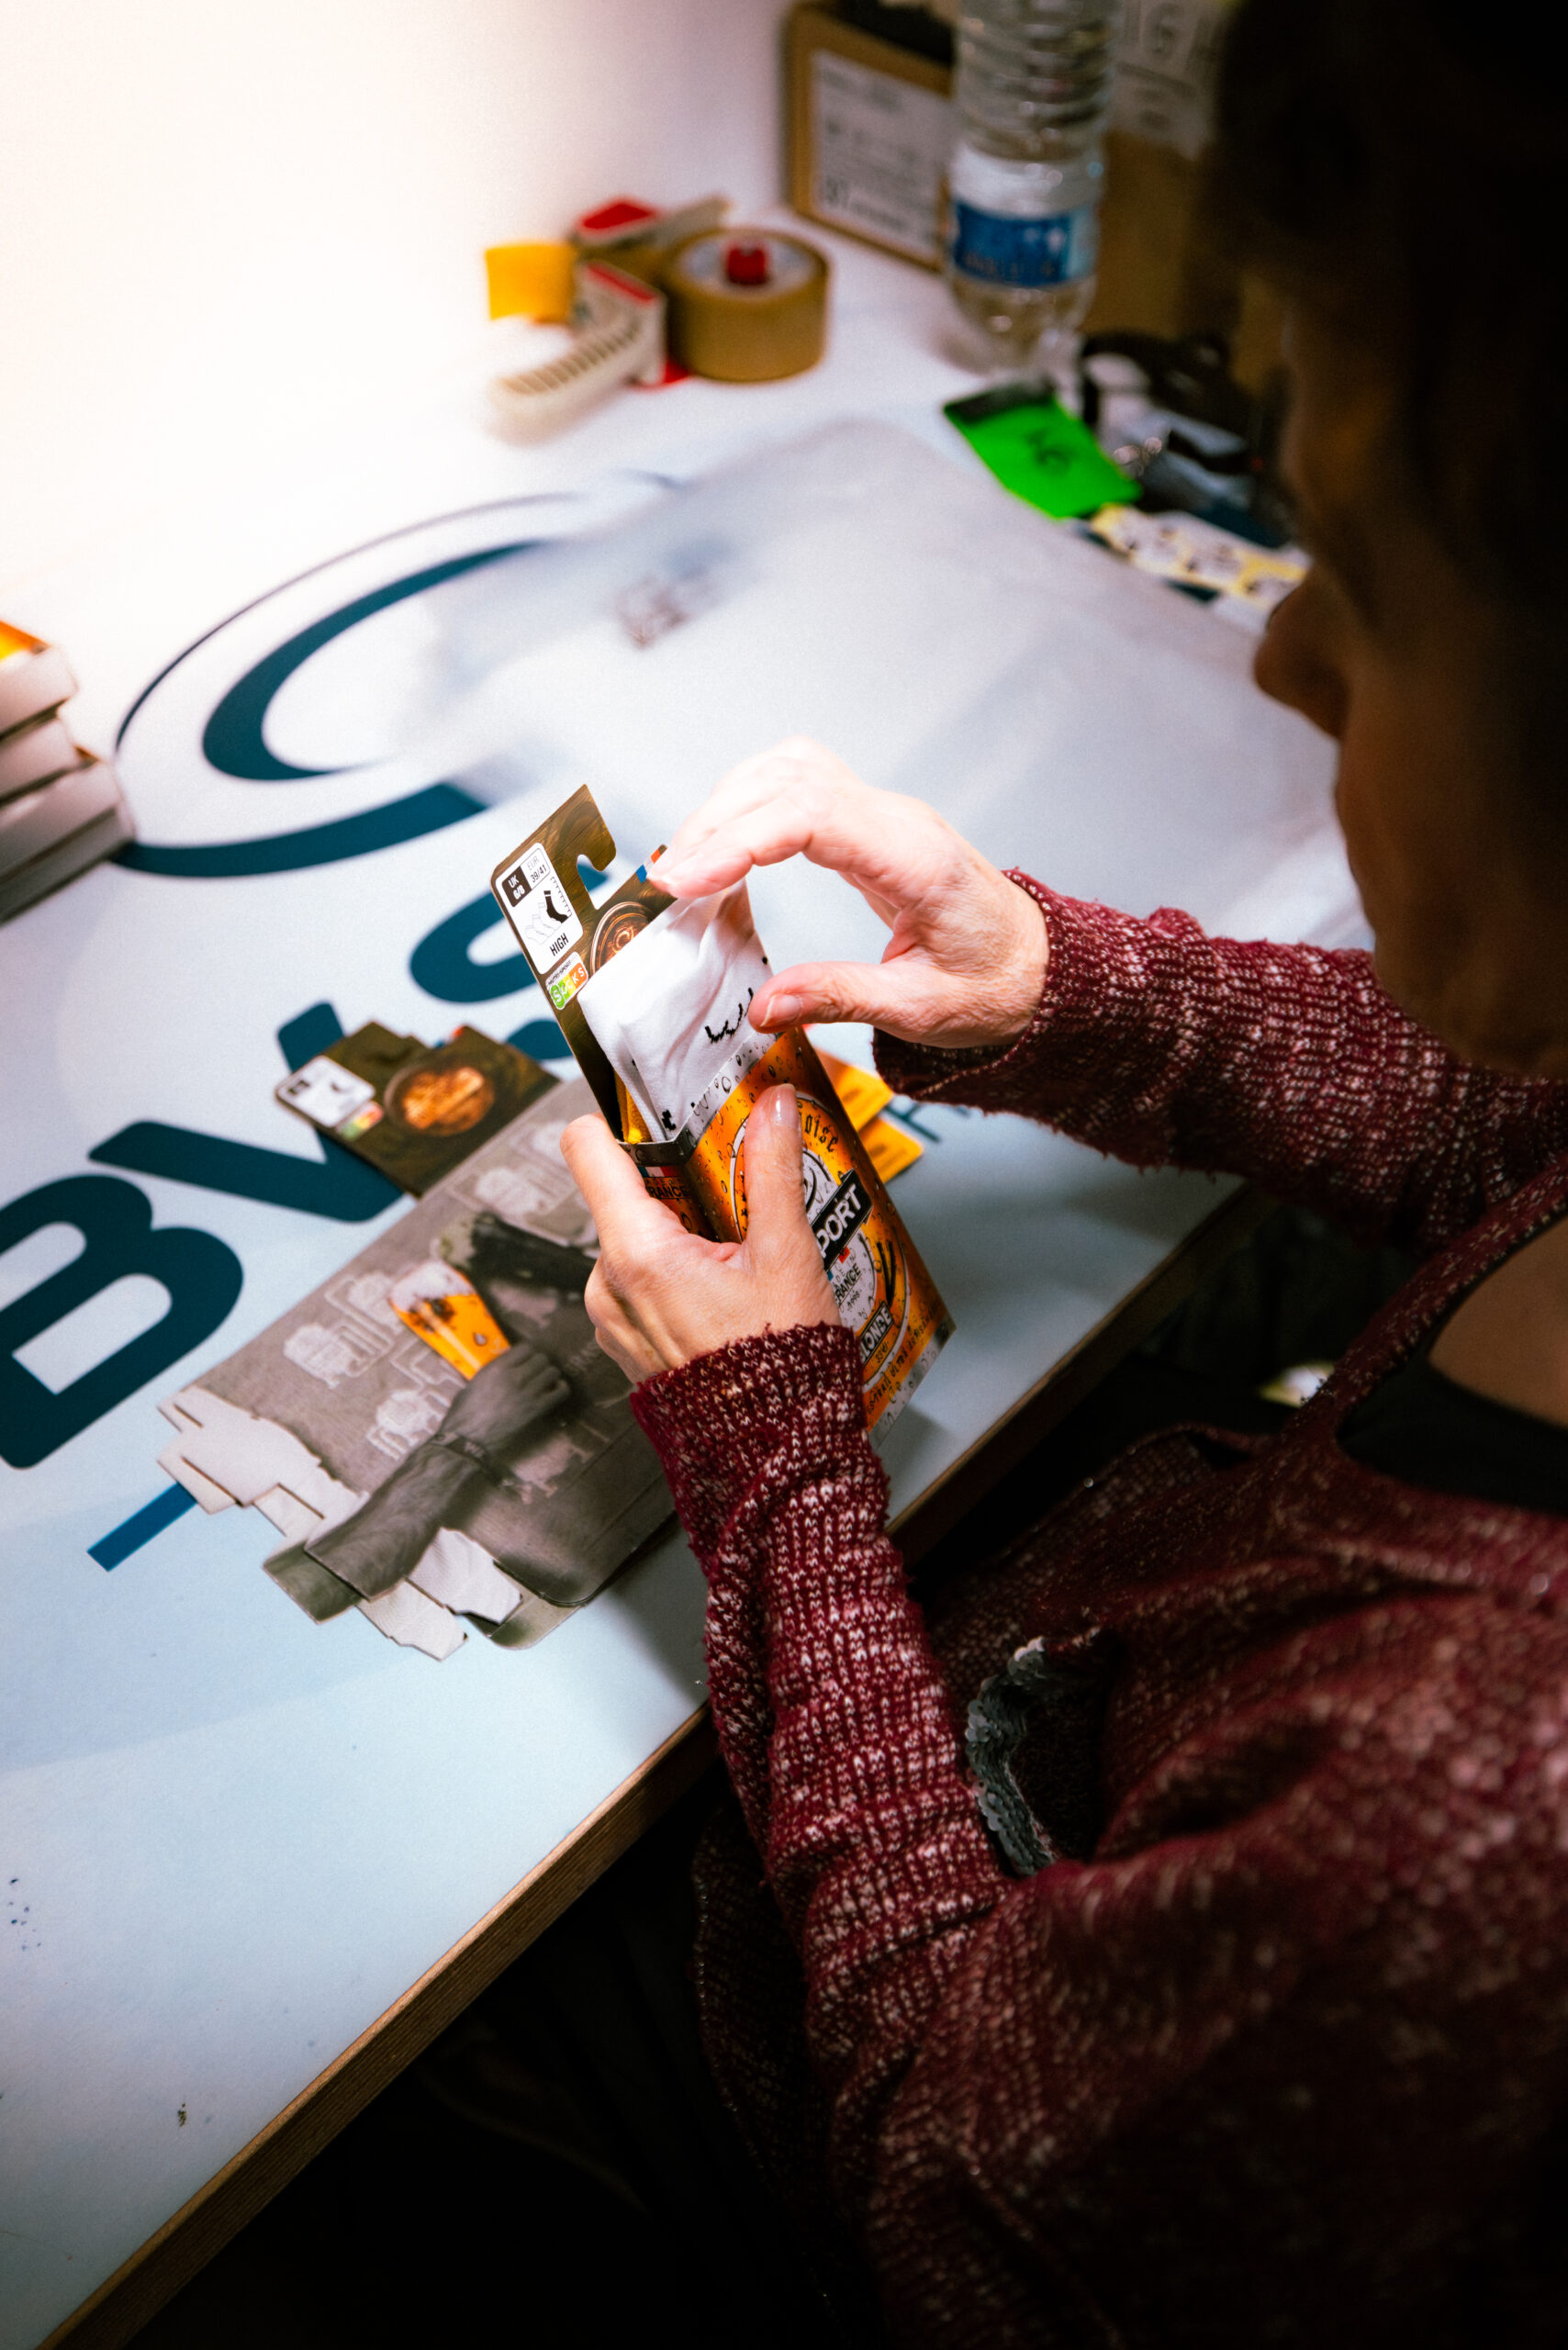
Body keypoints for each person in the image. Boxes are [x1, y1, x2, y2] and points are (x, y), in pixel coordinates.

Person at [557, 0, 1568, 2338]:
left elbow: (952, 2181)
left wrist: (774, 1454)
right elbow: (1504, 1131)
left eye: (1358, 583)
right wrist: (1056, 984)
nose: (1281, 657)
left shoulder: (1467, 1811)